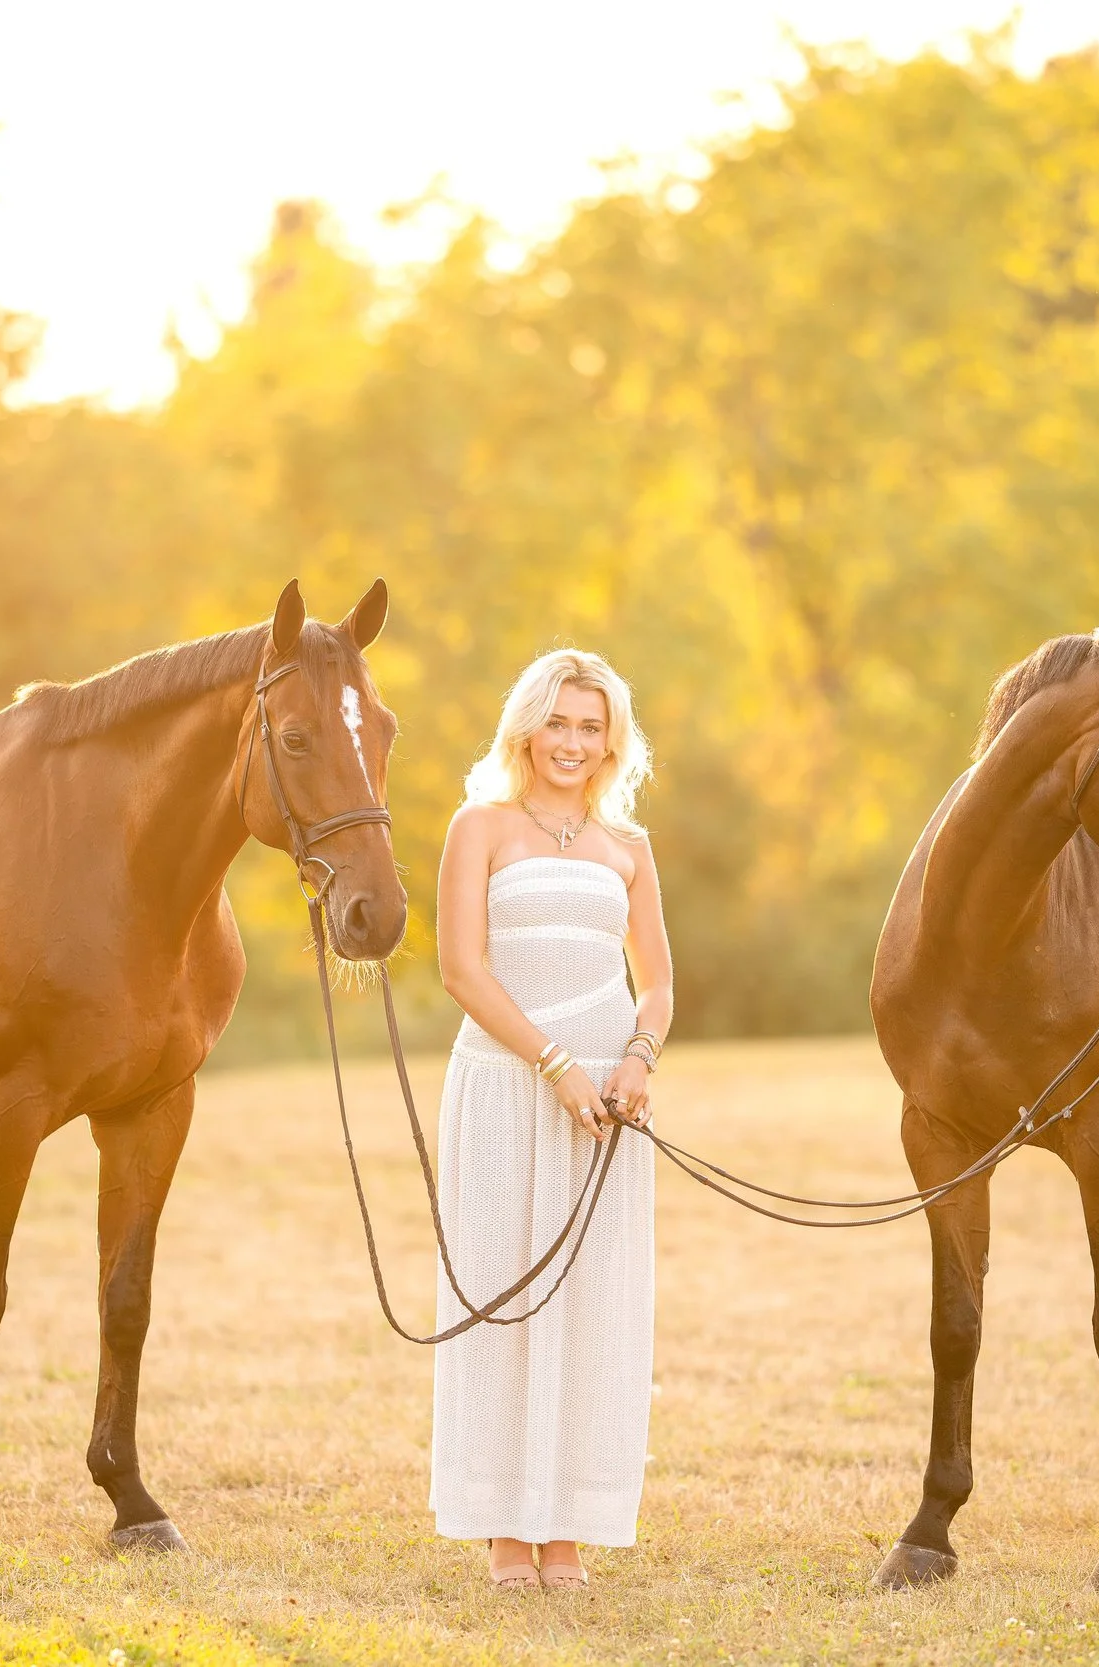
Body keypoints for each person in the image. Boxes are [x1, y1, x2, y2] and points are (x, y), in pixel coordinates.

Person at [430, 647, 674, 1592]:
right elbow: (462, 969)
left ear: (611, 738)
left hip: (606, 1107)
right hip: (504, 1085)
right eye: (558, 722)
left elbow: (656, 983)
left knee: (592, 1305)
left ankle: (568, 1525)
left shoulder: (630, 848)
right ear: (527, 728)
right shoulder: (480, 826)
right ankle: (501, 1524)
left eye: (591, 724)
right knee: (501, 1296)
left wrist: (635, 1059)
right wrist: (555, 1062)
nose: (573, 742)